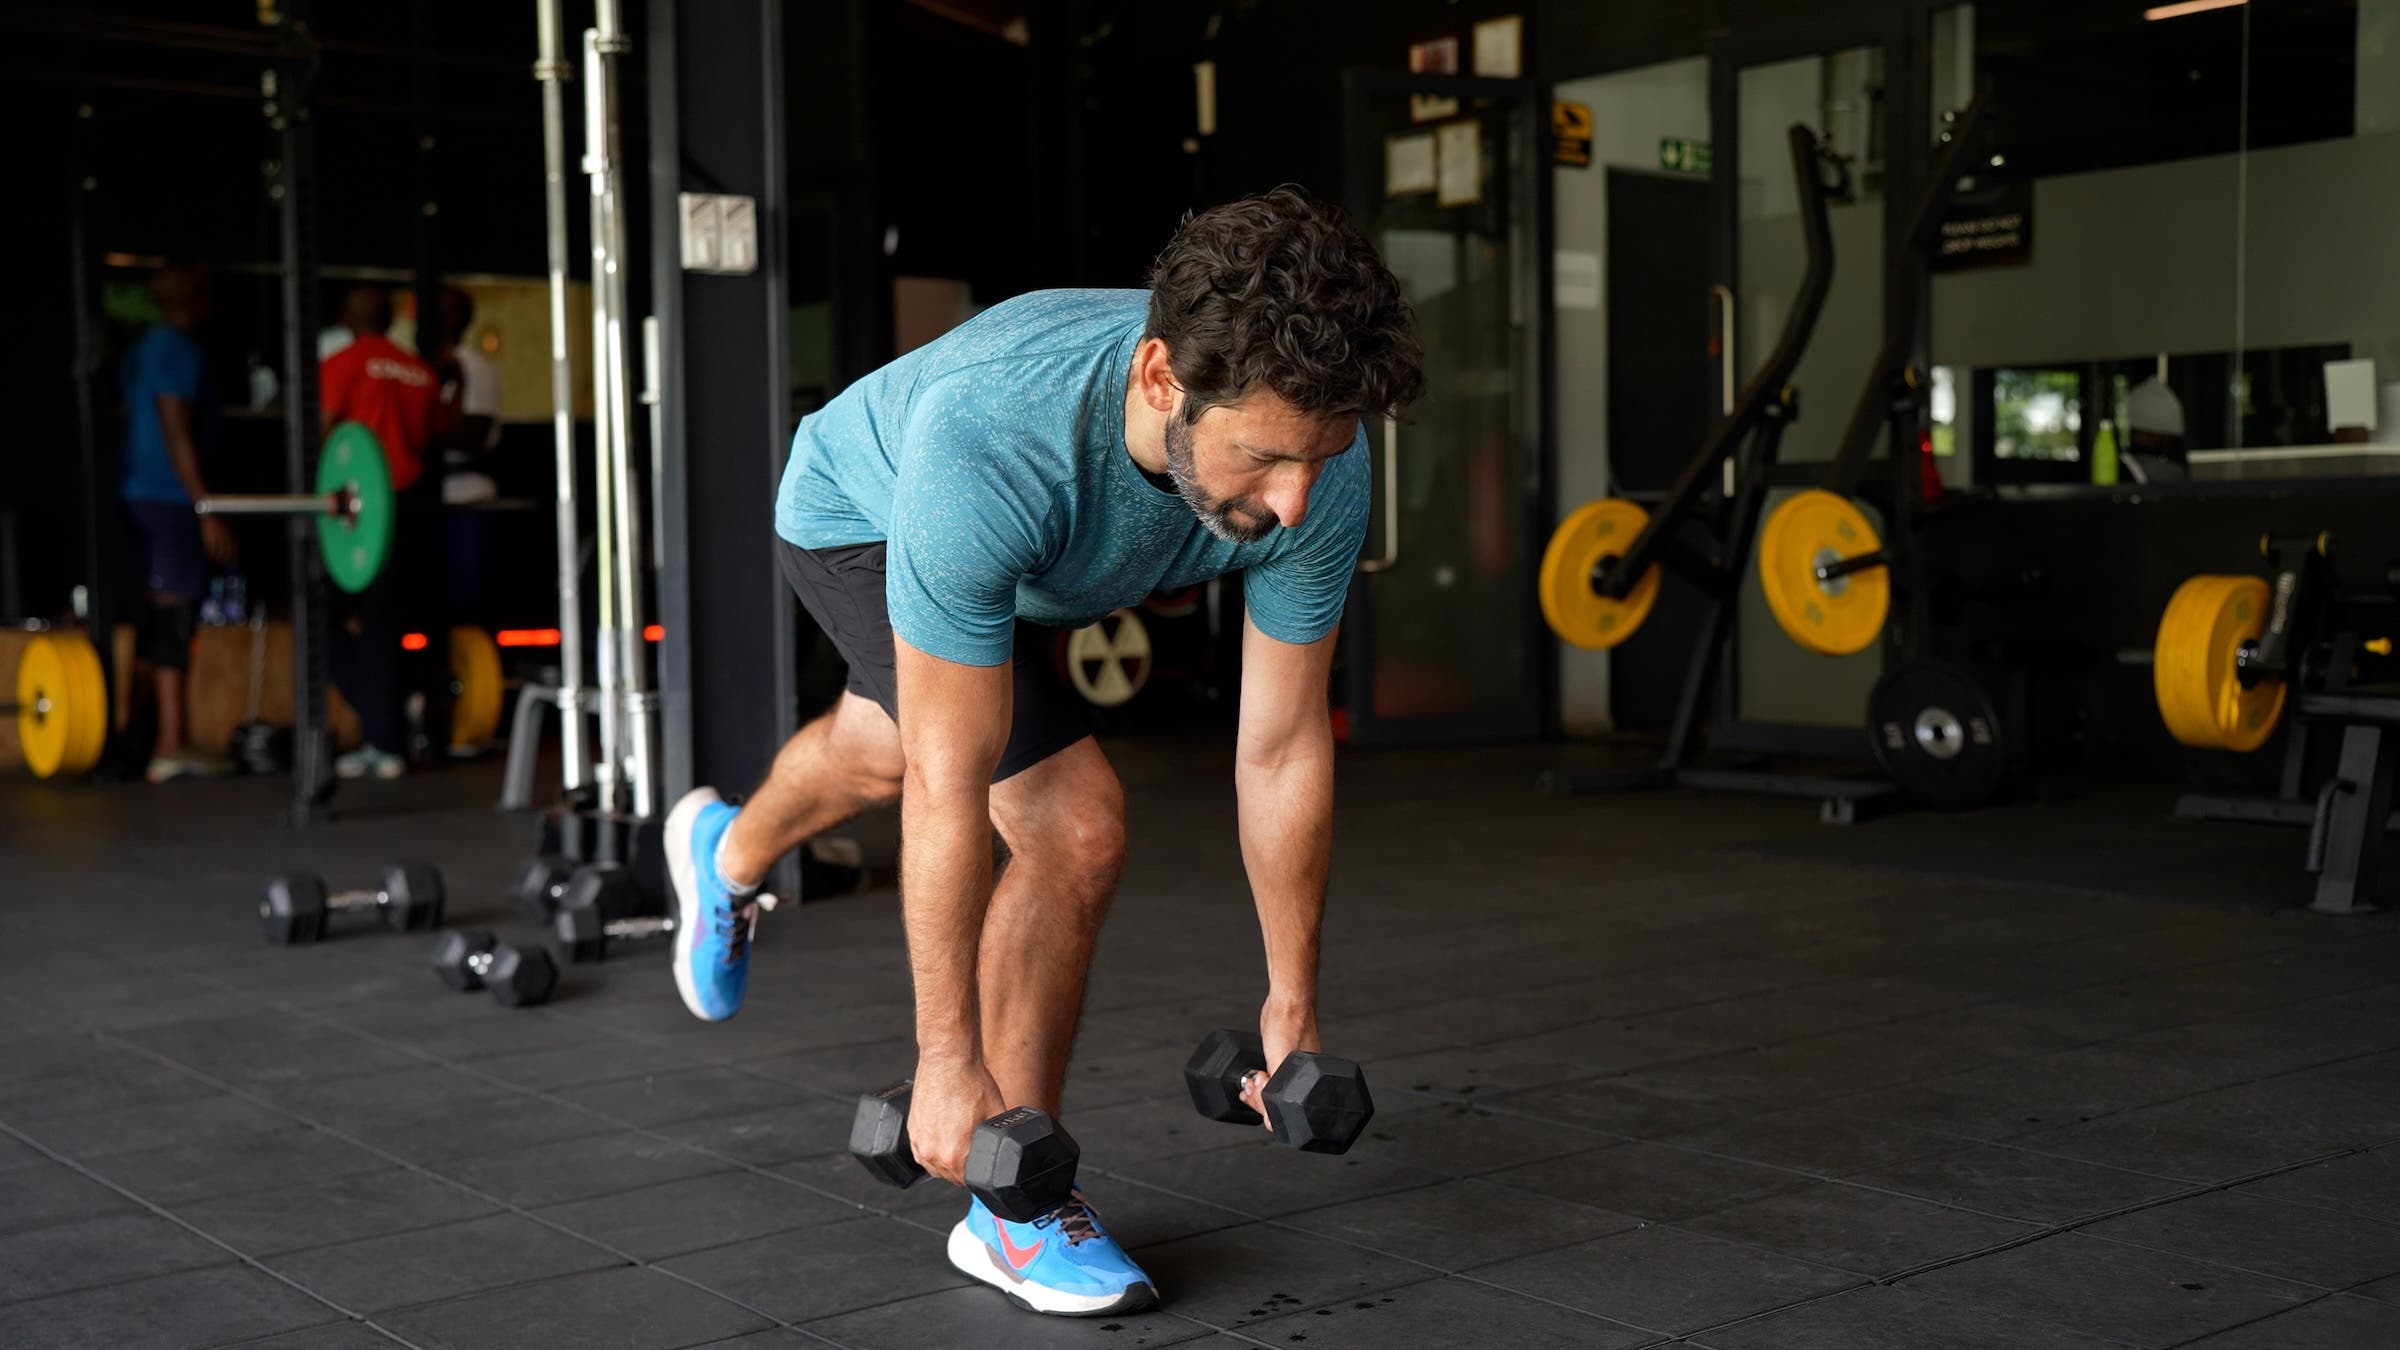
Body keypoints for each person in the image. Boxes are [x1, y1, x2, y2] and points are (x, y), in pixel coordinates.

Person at [664, 189, 1423, 1317]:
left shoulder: (1319, 459)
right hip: (869, 517)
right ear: (1163, 379)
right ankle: (1009, 1212)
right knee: (1065, 820)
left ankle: (726, 850)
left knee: (879, 743)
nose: (1296, 499)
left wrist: (1292, 999)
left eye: (1318, 457)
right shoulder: (993, 438)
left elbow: (1278, 746)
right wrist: (947, 1061)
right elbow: (949, 785)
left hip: (1045, 555)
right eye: (1265, 459)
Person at [119, 264, 236, 783]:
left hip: (144, 494)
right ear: (194, 299)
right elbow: (175, 430)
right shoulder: (177, 351)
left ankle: (137, 739)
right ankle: (170, 745)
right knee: (173, 618)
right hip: (169, 498)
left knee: (157, 617)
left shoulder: (145, 348)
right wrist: (205, 506)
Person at [319, 285, 441, 779]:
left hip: (358, 511)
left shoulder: (342, 363)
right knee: (383, 627)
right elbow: (429, 438)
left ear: (349, 317)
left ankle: (382, 734)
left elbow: (326, 437)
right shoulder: (420, 372)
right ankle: (390, 721)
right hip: (408, 506)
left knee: (324, 623)